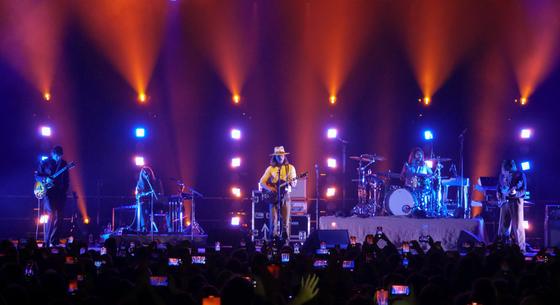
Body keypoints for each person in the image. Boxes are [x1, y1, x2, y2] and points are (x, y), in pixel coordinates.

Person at [259, 146, 297, 240]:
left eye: (282, 155)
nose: (280, 157)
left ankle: (285, 243)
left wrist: (292, 182)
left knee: (286, 222)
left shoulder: (290, 168)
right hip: (273, 197)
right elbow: (262, 182)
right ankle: (273, 241)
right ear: (275, 156)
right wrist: (271, 188)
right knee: (273, 221)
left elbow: (294, 184)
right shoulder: (270, 168)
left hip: (285, 196)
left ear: (284, 156)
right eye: (278, 155)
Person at [35, 146, 69, 246]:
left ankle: (53, 241)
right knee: (51, 215)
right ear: (53, 154)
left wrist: (64, 191)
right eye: (57, 156)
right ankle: (46, 241)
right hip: (48, 193)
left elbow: (66, 180)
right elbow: (37, 176)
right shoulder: (45, 163)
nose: (59, 158)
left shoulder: (64, 164)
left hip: (60, 194)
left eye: (60, 156)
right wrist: (46, 179)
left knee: (59, 217)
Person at [497, 159, 527, 251]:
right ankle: (502, 248)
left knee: (517, 227)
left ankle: (521, 249)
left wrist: (515, 193)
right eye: (505, 170)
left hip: (515, 203)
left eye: (508, 170)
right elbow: (499, 186)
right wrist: (498, 194)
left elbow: (523, 191)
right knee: (503, 226)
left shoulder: (520, 175)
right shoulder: (501, 176)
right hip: (504, 203)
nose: (506, 172)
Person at [135, 166, 159, 232]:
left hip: (155, 202)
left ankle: (163, 227)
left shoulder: (155, 182)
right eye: (145, 173)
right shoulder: (139, 184)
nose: (147, 175)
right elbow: (137, 195)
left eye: (148, 173)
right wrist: (145, 194)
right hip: (145, 203)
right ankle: (143, 227)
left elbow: (159, 193)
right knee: (141, 206)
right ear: (142, 174)